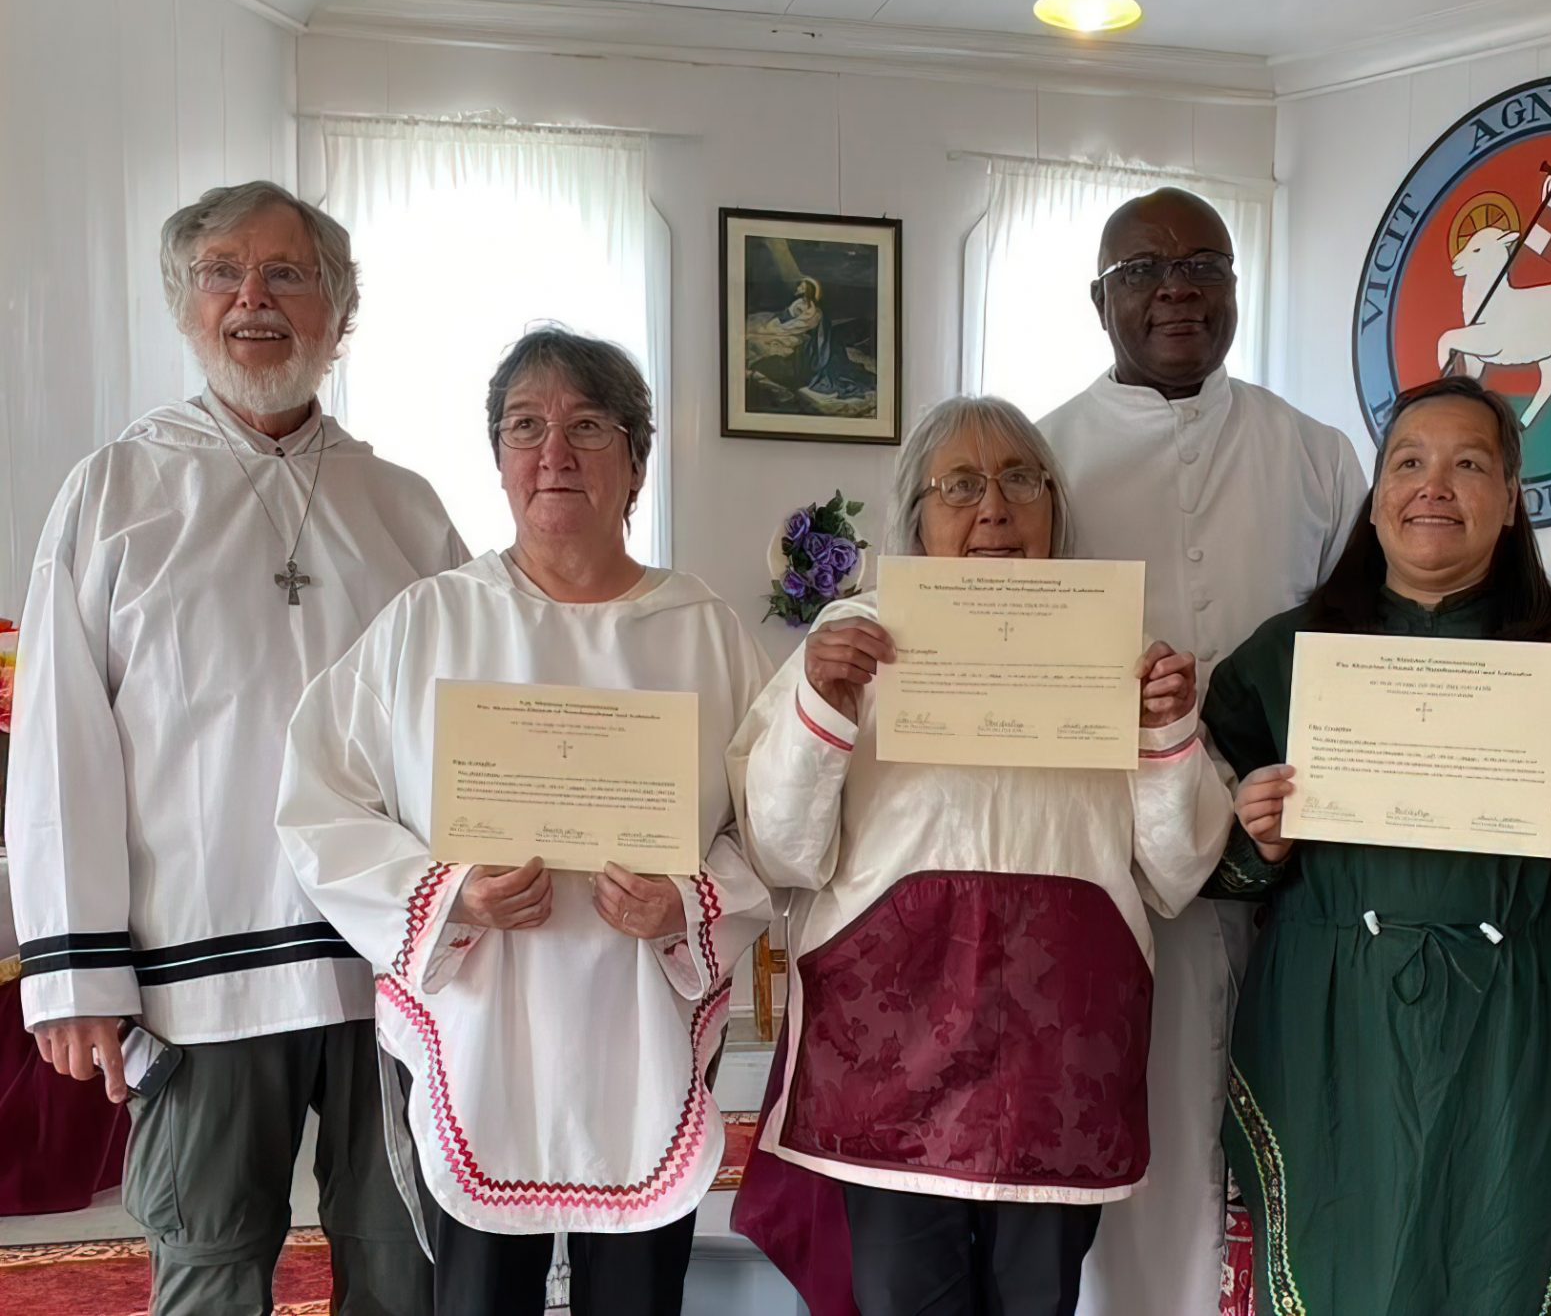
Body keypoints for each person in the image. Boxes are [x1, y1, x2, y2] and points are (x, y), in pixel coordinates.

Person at [7, 180, 461, 1315]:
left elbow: (469, 736)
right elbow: (60, 740)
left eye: (289, 274)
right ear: (185, 305)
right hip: (195, 970)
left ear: (340, 312)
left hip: (385, 970)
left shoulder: (404, 509)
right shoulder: (114, 492)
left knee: (406, 1268)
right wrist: (73, 974)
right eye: (222, 273)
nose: (253, 298)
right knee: (209, 1271)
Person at [276, 328, 773, 1316]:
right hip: (480, 1023)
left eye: (587, 425)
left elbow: (775, 824)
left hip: (640, 1026)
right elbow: (319, 796)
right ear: (498, 460)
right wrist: (446, 891)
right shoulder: (430, 623)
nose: (554, 451)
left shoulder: (704, 632)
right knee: (474, 1299)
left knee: (635, 1297)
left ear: (634, 460)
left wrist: (687, 903)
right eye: (525, 427)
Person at [728, 395, 1232, 1316]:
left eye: (1019, 481)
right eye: (960, 483)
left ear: (1054, 507)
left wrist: (1167, 732)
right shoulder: (853, 642)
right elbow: (782, 850)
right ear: (915, 514)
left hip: (1061, 1056)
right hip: (891, 1053)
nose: (993, 507)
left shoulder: (1116, 649)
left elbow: (1176, 870)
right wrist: (823, 705)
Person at [1202, 376, 1551, 1315]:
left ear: (1511, 502)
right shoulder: (1285, 653)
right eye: (1409, 463)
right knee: (1340, 1264)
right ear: (1376, 497)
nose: (1435, 486)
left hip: (1523, 1018)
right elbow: (1195, 846)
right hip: (1331, 1013)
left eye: (1469, 464)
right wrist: (1252, 837)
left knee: (1506, 1261)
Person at [1036, 186, 1367, 1315]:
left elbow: (1367, 643)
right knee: (1151, 1148)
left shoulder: (1315, 457)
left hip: (1296, 869)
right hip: (1123, 882)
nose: (1174, 286)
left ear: (1234, 288)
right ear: (1098, 300)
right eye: (1140, 270)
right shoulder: (1042, 464)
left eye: (1202, 265)